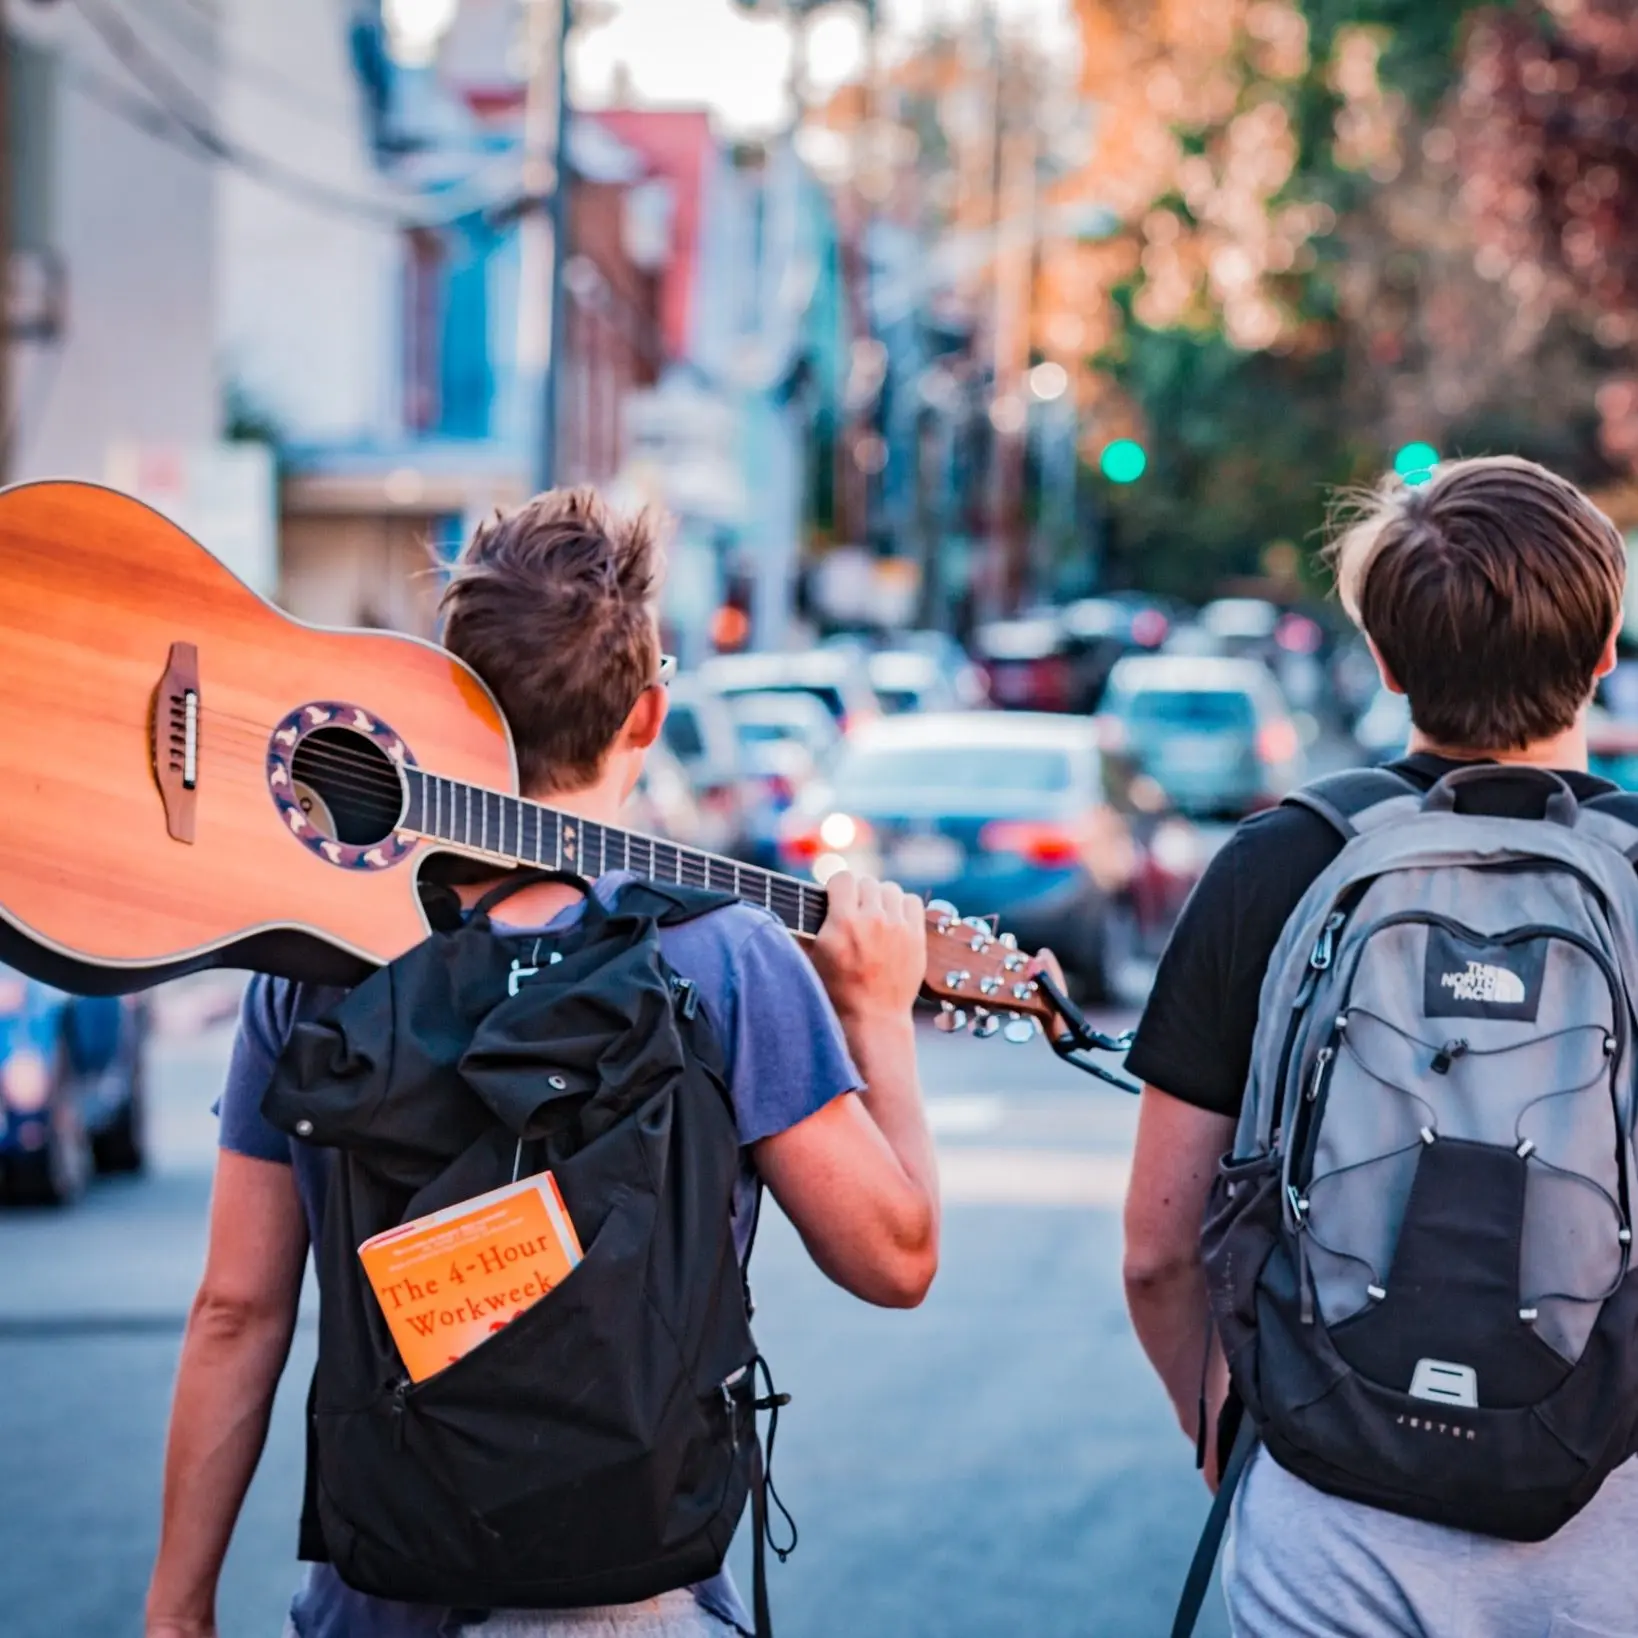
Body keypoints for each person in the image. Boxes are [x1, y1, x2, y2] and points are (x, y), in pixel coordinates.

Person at [144, 489, 942, 1638]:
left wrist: (178, 1611)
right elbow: (895, 1258)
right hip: (631, 1602)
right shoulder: (722, 958)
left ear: (443, 696)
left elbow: (236, 1310)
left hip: (379, 1593)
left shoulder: (320, 959)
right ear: (648, 715)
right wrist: (877, 1015)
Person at [1122, 455, 1638, 1635]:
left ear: (1387, 662)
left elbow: (1159, 1253)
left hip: (1333, 1529)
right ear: (1604, 650)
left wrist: (1246, 1441)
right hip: (1612, 1525)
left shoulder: (1280, 865)